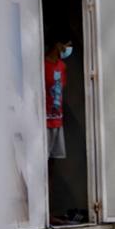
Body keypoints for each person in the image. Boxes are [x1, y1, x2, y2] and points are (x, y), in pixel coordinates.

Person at [44, 34, 73, 163]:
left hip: (57, 119)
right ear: (57, 45)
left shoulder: (62, 66)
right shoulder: (42, 65)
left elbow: (61, 87)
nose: (67, 49)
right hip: (43, 120)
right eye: (66, 45)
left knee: (53, 160)